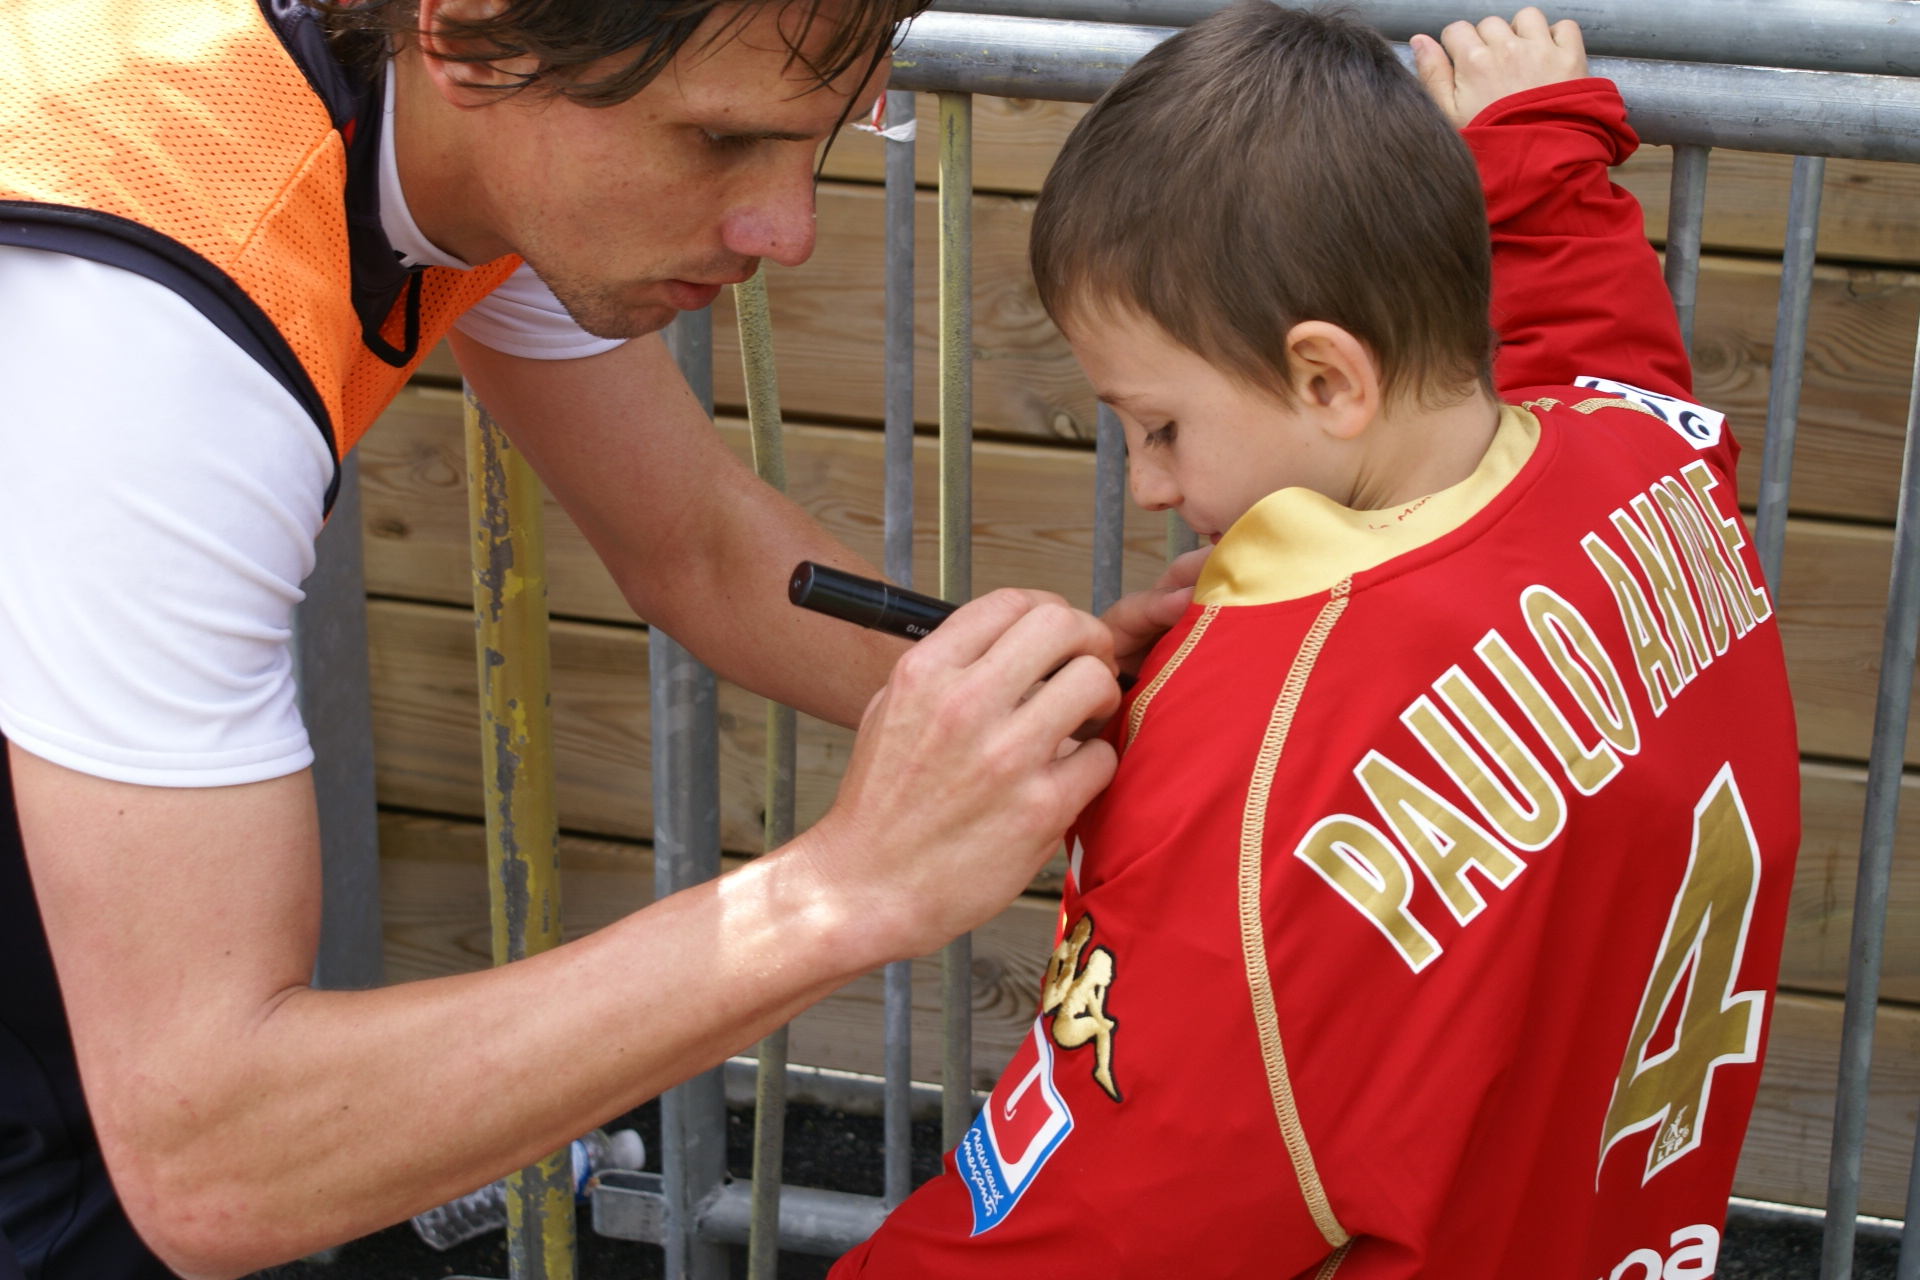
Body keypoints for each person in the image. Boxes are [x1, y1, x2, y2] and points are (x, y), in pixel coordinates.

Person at [0, 1, 1197, 1277]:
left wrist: (1080, 709)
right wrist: (844, 890)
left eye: (829, 136)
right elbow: (217, 1157)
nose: (787, 229)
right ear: (465, 34)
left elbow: (702, 544)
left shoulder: (481, 130)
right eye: (721, 139)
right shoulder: (146, 357)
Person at [833, 6, 1800, 1277]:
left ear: (1330, 380)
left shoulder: (1264, 763)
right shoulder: (1646, 455)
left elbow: (1105, 1215)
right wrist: (1531, 153)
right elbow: (1598, 352)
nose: (1149, 484)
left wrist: (1183, 740)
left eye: (1160, 426)